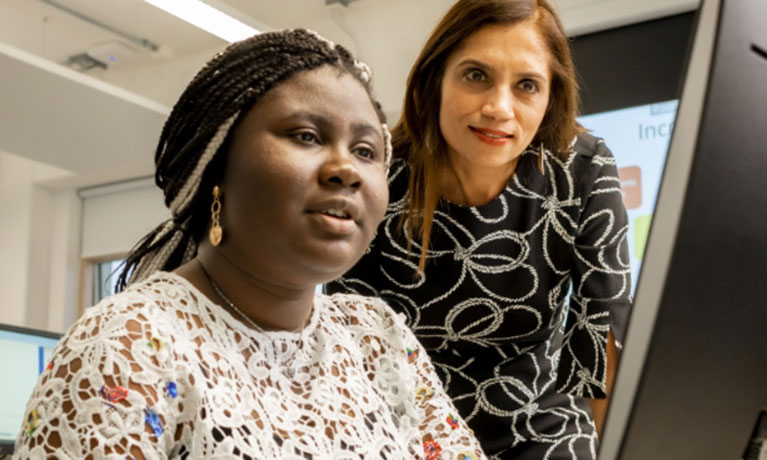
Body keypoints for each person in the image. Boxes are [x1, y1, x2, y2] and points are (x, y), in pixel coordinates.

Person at [13, 29, 486, 460]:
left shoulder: (377, 338)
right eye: (306, 136)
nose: (347, 169)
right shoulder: (129, 344)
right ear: (216, 169)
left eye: (366, 151)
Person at [325, 0, 632, 458]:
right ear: (436, 81)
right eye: (476, 75)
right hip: (400, 431)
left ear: (551, 98)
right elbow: (336, 340)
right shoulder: (378, 176)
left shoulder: (581, 171)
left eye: (527, 85)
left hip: (541, 430)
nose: (498, 107)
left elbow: (601, 343)